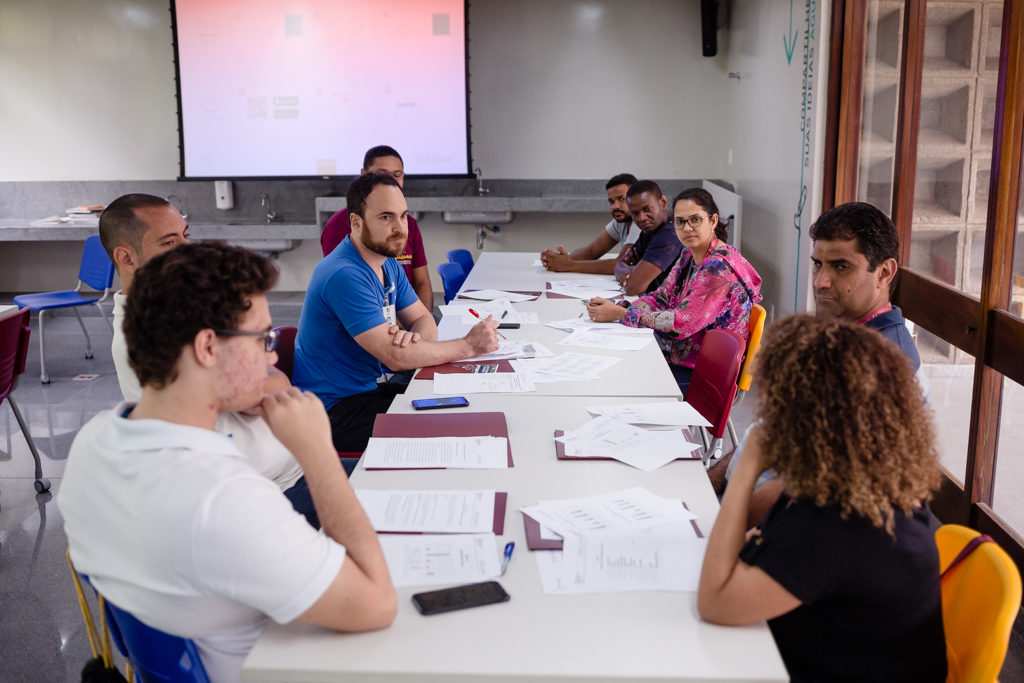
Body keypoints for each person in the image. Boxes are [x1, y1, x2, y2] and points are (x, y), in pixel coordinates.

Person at [59, 243, 397, 683]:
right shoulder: (224, 499)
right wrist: (316, 451)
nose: (272, 357)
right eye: (261, 340)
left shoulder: (93, 443)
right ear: (207, 347)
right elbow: (377, 605)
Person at [697, 315, 946, 682]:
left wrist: (747, 467)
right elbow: (752, 547)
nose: (766, 417)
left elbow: (714, 602)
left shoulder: (839, 522)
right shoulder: (866, 478)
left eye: (775, 406)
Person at [98, 194, 314, 525]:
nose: (187, 250)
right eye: (170, 242)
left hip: (291, 469)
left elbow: (270, 382)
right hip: (269, 494)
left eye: (186, 236)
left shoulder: (186, 307)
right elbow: (261, 392)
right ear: (126, 257)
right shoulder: (150, 335)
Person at [708, 201, 921, 528]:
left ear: (884, 273)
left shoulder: (880, 365)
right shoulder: (843, 337)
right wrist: (709, 484)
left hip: (759, 530)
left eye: (841, 266)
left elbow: (796, 489)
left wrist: (719, 525)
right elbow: (764, 434)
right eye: (818, 264)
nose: (821, 281)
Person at [293, 172, 499, 452]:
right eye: (385, 217)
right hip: (334, 412)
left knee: (462, 399)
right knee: (449, 426)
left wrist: (414, 342)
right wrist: (468, 346)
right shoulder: (344, 274)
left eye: (403, 216)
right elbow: (396, 358)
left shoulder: (386, 262)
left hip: (366, 393)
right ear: (356, 222)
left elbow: (422, 319)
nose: (400, 227)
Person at [586, 187, 761, 392]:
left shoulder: (718, 268)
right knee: (618, 369)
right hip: (685, 359)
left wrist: (622, 314)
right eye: (680, 221)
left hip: (707, 375)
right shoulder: (689, 254)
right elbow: (660, 298)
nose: (687, 228)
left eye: (695, 220)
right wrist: (623, 308)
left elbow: (680, 324)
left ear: (713, 220)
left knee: (623, 382)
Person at [320, 145, 433, 313]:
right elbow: (346, 290)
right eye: (385, 218)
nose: (390, 182)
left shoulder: (393, 261)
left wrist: (422, 320)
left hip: (405, 315)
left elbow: (422, 283)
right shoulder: (339, 226)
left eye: (397, 175)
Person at [539, 173, 638, 274]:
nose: (615, 206)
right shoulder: (621, 221)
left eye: (621, 199)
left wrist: (568, 265)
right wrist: (559, 260)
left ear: (636, 197)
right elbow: (591, 251)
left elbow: (620, 264)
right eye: (611, 202)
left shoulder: (640, 223)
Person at [607, 180, 683, 295]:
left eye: (647, 209)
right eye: (635, 213)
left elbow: (633, 287)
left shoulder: (670, 234)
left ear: (663, 202)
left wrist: (633, 272)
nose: (641, 218)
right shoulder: (649, 231)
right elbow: (619, 265)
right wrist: (632, 271)